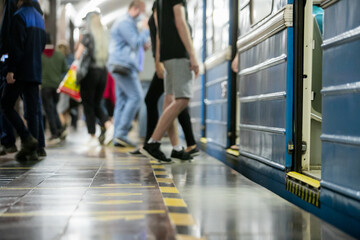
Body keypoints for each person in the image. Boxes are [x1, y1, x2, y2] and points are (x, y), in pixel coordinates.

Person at [132, 2, 199, 158]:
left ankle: (175, 148)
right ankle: (153, 143)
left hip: (167, 55)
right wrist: (192, 55)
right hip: (178, 53)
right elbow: (180, 21)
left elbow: (160, 31)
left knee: (169, 101)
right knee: (182, 100)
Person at [1, 0, 46, 161]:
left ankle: (26, 138)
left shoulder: (19, 16)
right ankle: (32, 150)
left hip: (20, 70)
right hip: (35, 70)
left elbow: (16, 46)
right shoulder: (40, 18)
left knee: (5, 104)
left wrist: (11, 69)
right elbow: (42, 44)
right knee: (33, 111)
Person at [108, 0, 149, 148]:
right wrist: (145, 30)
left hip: (119, 64)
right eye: (143, 11)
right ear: (135, 9)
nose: (143, 15)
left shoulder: (126, 22)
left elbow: (135, 44)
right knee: (136, 96)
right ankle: (121, 134)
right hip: (123, 65)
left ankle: (117, 137)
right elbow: (135, 42)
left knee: (122, 101)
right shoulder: (125, 22)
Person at [75, 11, 113, 146]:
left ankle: (92, 135)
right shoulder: (104, 36)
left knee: (88, 104)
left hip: (90, 73)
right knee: (97, 103)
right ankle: (108, 126)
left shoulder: (87, 36)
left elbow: (78, 55)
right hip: (103, 72)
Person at [41, 33, 67, 144]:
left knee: (49, 110)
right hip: (57, 86)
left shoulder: (40, 55)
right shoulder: (60, 55)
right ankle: (60, 129)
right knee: (54, 108)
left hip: (45, 85)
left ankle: (54, 133)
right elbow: (65, 69)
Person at [0, 0, 18, 155]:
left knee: (4, 103)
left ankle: (9, 139)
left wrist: (9, 68)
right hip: (21, 64)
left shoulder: (11, 4)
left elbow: (7, 34)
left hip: (9, 62)